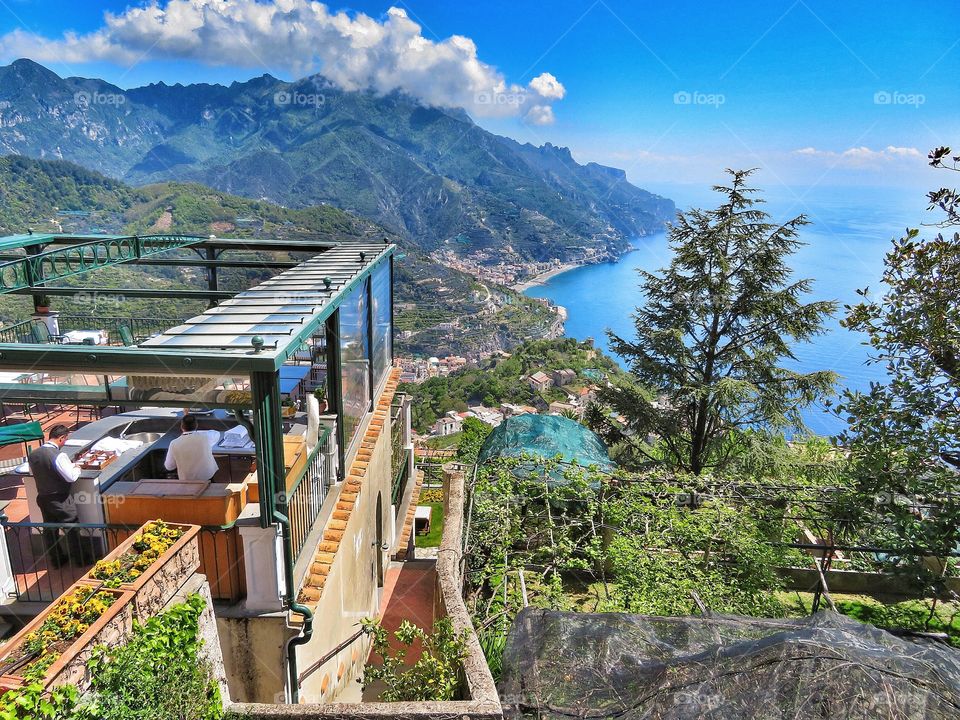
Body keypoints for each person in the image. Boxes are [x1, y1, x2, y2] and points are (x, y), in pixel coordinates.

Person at [28, 424, 83, 567]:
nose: (65, 442)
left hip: (43, 498)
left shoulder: (33, 454)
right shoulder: (59, 455)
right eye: (66, 439)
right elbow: (71, 477)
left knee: (50, 530)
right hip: (60, 499)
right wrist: (77, 468)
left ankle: (57, 560)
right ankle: (81, 560)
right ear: (61, 438)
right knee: (72, 527)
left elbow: (33, 473)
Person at [164, 413, 218, 482]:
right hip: (207, 477)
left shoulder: (174, 443)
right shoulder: (205, 437)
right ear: (196, 425)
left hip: (188, 482)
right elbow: (216, 433)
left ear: (181, 426)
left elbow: (169, 466)